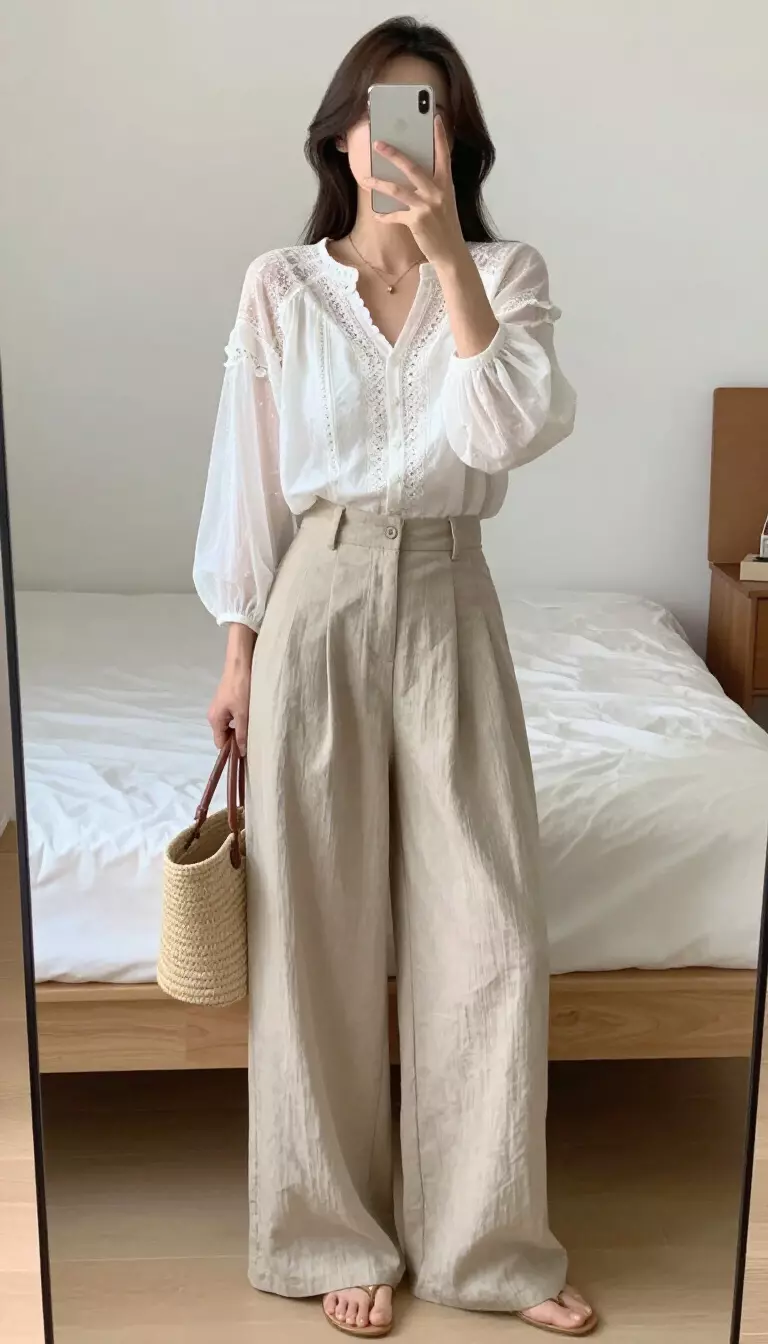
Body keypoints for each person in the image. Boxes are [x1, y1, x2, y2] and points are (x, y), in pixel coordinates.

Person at [193, 15, 595, 1340]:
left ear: (458, 139)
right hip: (316, 594)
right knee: (311, 923)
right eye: (379, 112)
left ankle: (486, 1249)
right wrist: (238, 648)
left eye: (428, 113)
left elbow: (510, 427)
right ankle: (325, 1236)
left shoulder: (508, 271)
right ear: (339, 134)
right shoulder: (276, 286)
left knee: (486, 922)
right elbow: (249, 480)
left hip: (446, 588)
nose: (399, 137)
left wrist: (443, 264)